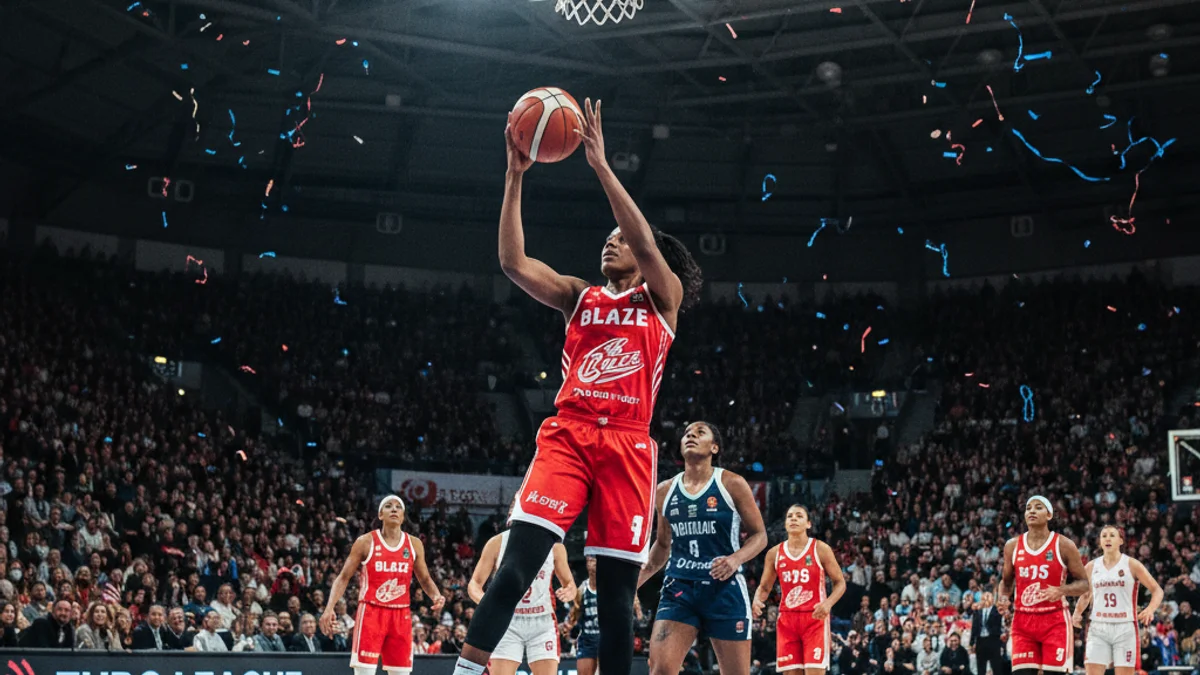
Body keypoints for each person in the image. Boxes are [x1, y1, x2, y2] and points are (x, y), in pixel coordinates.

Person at [451, 97, 703, 675]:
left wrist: (601, 166)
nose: (610, 242)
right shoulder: (578, 296)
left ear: (646, 259)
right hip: (568, 436)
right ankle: (466, 671)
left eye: (622, 239)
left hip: (628, 447)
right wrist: (515, 176)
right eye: (607, 238)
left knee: (614, 599)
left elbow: (642, 239)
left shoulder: (664, 301)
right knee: (515, 568)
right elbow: (513, 262)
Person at [638, 421, 768, 675]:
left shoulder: (732, 483)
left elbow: (760, 535)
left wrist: (735, 559)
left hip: (724, 588)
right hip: (680, 587)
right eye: (687, 433)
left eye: (699, 433)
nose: (691, 436)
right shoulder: (664, 490)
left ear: (715, 447)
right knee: (660, 669)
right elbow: (663, 545)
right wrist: (633, 584)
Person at [321, 495, 446, 675]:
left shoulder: (414, 544)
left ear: (403, 516)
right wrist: (329, 607)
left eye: (398, 507)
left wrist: (435, 595)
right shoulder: (365, 542)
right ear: (380, 515)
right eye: (388, 506)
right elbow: (343, 577)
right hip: (371, 611)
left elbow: (425, 578)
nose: (394, 509)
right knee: (364, 672)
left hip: (401, 614)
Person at [996, 496, 1090, 673]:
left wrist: (1063, 590)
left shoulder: (1064, 545)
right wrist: (1002, 598)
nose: (1031, 511)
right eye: (1028, 508)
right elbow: (1006, 582)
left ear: (1049, 515)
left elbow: (1084, 583)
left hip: (1054, 621)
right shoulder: (1012, 546)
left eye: (1038, 507)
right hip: (1022, 621)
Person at [467, 526, 577, 675]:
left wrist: (570, 591)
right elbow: (474, 584)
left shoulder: (555, 547)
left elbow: (570, 584)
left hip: (542, 621)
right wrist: (488, 603)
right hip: (507, 620)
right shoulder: (497, 543)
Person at [753, 505, 847, 674]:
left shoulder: (820, 549)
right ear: (785, 524)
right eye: (790, 516)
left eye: (799, 516)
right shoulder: (774, 554)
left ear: (808, 524)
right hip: (787, 621)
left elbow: (840, 582)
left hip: (814, 619)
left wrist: (827, 604)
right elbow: (765, 587)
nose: (794, 519)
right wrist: (757, 600)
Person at [1072, 525, 1164, 675]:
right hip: (1098, 626)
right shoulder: (1091, 566)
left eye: (1112, 535)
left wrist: (1150, 609)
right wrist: (1077, 613)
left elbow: (1157, 590)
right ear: (1100, 542)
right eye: (1104, 536)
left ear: (1121, 541)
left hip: (1125, 627)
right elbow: (1086, 594)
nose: (1107, 538)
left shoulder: (1132, 564)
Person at [569, 557, 601, 675]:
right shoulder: (582, 589)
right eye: (590, 561)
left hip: (606, 637)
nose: (593, 565)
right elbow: (574, 615)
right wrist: (570, 629)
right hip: (587, 639)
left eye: (596, 561)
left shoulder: (610, 586)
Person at [970, 592, 1003, 675]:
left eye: (989, 596)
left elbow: (999, 625)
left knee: (996, 666)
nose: (986, 598)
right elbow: (974, 626)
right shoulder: (978, 611)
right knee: (981, 667)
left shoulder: (996, 610)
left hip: (992, 640)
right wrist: (972, 642)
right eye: (985, 596)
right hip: (980, 640)